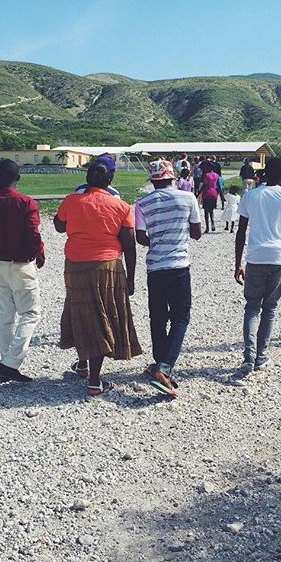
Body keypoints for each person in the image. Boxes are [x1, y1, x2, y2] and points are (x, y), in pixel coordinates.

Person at [54, 161, 142, 395]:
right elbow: (129, 245)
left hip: (75, 266)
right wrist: (131, 278)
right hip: (107, 266)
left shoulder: (71, 201)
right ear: (110, 179)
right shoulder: (120, 206)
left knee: (81, 311)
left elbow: (59, 226)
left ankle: (83, 364)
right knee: (102, 315)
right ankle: (94, 381)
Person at [135, 159, 202, 396]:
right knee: (181, 317)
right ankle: (165, 366)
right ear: (172, 177)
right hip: (179, 265)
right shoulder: (188, 198)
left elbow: (141, 238)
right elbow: (197, 233)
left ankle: (159, 363)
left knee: (158, 318)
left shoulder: (142, 203)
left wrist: (158, 240)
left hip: (155, 267)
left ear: (153, 180)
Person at [0, 159, 44, 382]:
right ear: (18, 178)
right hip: (22, 264)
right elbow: (33, 234)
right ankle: (10, 363)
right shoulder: (26, 203)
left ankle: (6, 361)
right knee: (30, 313)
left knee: (5, 316)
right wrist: (39, 253)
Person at [234, 157, 281, 376]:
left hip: (256, 257)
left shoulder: (250, 196)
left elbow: (241, 233)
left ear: (263, 174)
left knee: (252, 306)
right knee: (270, 308)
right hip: (280, 257)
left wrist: (237, 264)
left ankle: (249, 355)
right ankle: (261, 356)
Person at [199, 165, 220, 233]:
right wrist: (221, 196)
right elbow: (218, 186)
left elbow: (205, 185)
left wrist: (198, 193)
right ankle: (213, 223)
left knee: (206, 211)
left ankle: (207, 227)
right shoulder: (217, 175)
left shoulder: (206, 175)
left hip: (207, 193)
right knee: (211, 211)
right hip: (214, 193)